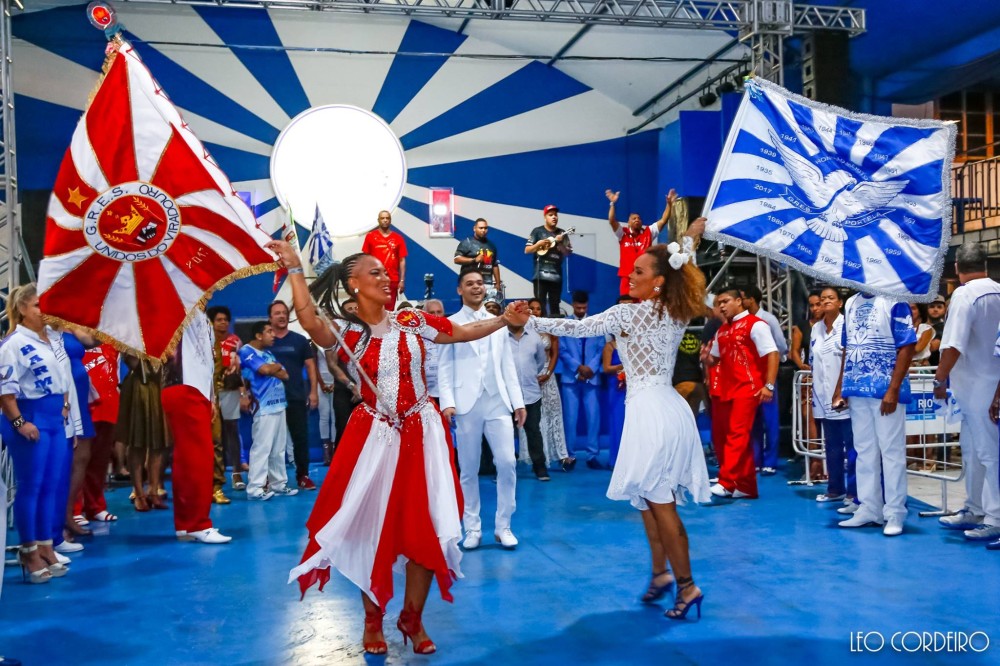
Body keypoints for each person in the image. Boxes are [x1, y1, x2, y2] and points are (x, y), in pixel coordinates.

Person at [273, 240, 530, 656]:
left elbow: (461, 333)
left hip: (422, 435)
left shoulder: (411, 320)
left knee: (427, 527)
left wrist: (503, 320)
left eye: (386, 273)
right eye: (374, 273)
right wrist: (295, 268)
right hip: (375, 436)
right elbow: (308, 318)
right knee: (374, 530)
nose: (386, 278)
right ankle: (373, 620)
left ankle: (412, 617)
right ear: (354, 284)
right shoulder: (348, 332)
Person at [530, 226, 710, 621]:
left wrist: (533, 322)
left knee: (660, 503)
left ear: (658, 282)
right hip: (668, 410)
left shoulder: (626, 312)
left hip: (650, 414)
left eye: (640, 271)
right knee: (650, 499)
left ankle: (687, 585)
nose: (631, 274)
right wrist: (690, 241)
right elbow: (684, 265)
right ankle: (662, 575)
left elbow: (577, 328)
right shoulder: (677, 311)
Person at [438, 268, 527, 549]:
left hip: (497, 401)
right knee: (469, 468)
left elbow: (507, 366)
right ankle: (472, 527)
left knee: (507, 463)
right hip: (465, 404)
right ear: (459, 290)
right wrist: (448, 402)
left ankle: (504, 526)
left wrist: (518, 402)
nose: (477, 287)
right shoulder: (449, 324)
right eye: (470, 283)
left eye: (480, 283)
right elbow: (444, 366)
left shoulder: (499, 323)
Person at [0, 284, 75, 582]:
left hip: (55, 419)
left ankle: (46, 545)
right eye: (37, 306)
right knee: (30, 486)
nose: (43, 311)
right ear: (22, 309)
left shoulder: (51, 341)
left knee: (51, 484)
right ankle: (28, 550)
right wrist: (20, 423)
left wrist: (66, 406)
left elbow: (63, 379)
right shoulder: (13, 344)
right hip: (29, 417)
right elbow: (5, 393)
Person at [833, 292, 916, 536]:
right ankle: (869, 508)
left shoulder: (895, 301)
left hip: (885, 391)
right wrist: (841, 387)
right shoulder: (850, 302)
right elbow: (848, 348)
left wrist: (893, 389)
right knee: (864, 451)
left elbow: (907, 346)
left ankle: (895, 513)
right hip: (858, 389)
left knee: (891, 453)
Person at [936, 242, 1000, 546]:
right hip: (990, 383)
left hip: (976, 386)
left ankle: (995, 518)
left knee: (988, 455)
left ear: (957, 267)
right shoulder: (998, 291)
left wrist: (940, 377)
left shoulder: (964, 295)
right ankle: (975, 509)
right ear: (985, 264)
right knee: (974, 453)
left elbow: (953, 345)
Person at [161, 310, 233, 545]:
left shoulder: (201, 316)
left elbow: (207, 361)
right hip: (185, 386)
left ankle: (186, 524)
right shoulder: (181, 304)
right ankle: (198, 523)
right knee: (198, 457)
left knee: (188, 458)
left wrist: (211, 396)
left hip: (197, 388)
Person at [705, 289, 779, 499]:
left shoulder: (756, 325)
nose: (721, 306)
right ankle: (746, 487)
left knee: (737, 434)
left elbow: (772, 353)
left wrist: (769, 385)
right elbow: (714, 359)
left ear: (739, 301)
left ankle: (726, 482)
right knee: (733, 437)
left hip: (749, 388)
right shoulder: (723, 331)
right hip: (728, 390)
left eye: (726, 301)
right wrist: (706, 358)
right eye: (719, 303)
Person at [239, 321, 297, 501]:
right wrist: (273, 368)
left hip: (279, 405)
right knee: (261, 448)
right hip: (263, 406)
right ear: (258, 335)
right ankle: (255, 489)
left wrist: (273, 369)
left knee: (278, 449)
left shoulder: (268, 353)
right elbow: (264, 369)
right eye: (269, 332)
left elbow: (285, 374)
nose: (273, 335)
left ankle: (278, 484)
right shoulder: (247, 351)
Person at [810, 287, 856, 505]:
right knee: (832, 446)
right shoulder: (816, 328)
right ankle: (835, 488)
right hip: (822, 396)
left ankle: (854, 493)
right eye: (822, 299)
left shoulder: (847, 326)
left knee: (853, 446)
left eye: (830, 298)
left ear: (840, 303)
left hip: (845, 398)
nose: (825, 301)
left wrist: (842, 391)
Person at [267, 301, 319, 490]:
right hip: (269, 401)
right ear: (270, 318)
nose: (281, 316)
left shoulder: (299, 340)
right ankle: (266, 479)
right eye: (277, 313)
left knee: (300, 438)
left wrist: (313, 392)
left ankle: (303, 476)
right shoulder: (265, 341)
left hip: (296, 396)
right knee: (269, 440)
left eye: (284, 313)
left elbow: (310, 366)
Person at [741, 286, 787, 475]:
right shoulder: (742, 321)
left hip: (767, 376)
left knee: (770, 421)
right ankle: (757, 460)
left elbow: (781, 346)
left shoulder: (768, 319)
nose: (740, 301)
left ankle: (771, 461)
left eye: (742, 297)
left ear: (752, 299)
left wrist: (771, 373)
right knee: (754, 421)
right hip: (750, 377)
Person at [559, 291, 604, 469]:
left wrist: (591, 368)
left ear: (588, 306)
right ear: (572, 305)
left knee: (594, 417)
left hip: (591, 378)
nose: (580, 310)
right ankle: (569, 455)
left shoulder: (596, 323)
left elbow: (601, 349)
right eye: (578, 307)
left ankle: (593, 455)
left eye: (584, 307)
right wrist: (578, 368)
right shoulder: (565, 324)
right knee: (570, 419)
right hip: (571, 378)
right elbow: (562, 350)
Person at [527, 298, 574, 471]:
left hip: (548, 376)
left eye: (538, 308)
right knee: (535, 418)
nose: (535, 311)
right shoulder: (522, 328)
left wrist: (548, 373)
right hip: (529, 378)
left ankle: (562, 456)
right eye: (531, 308)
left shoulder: (548, 327)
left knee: (554, 414)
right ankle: (539, 458)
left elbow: (555, 352)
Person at [118, 354, 168, 511]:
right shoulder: (131, 331)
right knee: (137, 441)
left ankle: (153, 491)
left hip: (159, 385)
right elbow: (131, 359)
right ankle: (138, 493)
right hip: (139, 386)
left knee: (159, 441)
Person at [606, 188, 677, 295]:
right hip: (627, 278)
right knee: (626, 305)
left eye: (639, 218)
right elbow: (612, 220)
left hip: (645, 278)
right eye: (633, 218)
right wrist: (612, 203)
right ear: (628, 223)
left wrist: (669, 204)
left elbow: (663, 220)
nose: (637, 220)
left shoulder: (648, 232)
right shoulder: (622, 233)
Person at [507, 307, 549, 481]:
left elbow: (540, 362)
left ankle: (539, 468)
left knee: (533, 431)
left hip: (531, 394)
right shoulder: (499, 337)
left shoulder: (534, 338)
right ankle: (506, 469)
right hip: (507, 395)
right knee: (506, 434)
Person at [206, 306, 245, 497]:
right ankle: (211, 477)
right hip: (209, 392)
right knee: (212, 436)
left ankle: (236, 473)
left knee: (231, 431)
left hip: (229, 391)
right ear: (211, 322)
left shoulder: (235, 341)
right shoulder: (205, 341)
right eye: (219, 319)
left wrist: (243, 392)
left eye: (225, 319)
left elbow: (242, 368)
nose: (223, 323)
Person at [80, 343, 120, 522]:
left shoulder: (111, 339)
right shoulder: (73, 337)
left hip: (108, 405)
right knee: (79, 461)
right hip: (83, 405)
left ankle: (95, 506)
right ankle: (75, 508)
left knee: (100, 460)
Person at [525, 205, 573, 316]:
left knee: (555, 305)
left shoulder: (562, 233)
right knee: (539, 306)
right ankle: (539, 332)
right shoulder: (537, 231)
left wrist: (560, 243)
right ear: (545, 217)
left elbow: (568, 254)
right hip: (540, 275)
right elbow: (527, 250)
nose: (554, 217)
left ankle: (554, 333)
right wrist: (538, 244)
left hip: (556, 276)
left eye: (555, 215)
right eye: (550, 215)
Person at [361, 210, 407, 310]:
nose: (385, 220)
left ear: (390, 220)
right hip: (375, 280)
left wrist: (402, 280)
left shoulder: (398, 238)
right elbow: (365, 259)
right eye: (382, 218)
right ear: (378, 220)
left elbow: (402, 260)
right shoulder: (370, 236)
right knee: (374, 308)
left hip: (392, 280)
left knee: (389, 310)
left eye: (387, 218)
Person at [454, 218, 501, 290]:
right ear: (474, 228)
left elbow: (495, 265)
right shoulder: (467, 242)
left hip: (487, 283)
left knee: (489, 301)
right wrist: (474, 260)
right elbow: (456, 259)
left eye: (485, 228)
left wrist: (498, 283)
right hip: (470, 282)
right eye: (481, 228)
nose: (483, 230)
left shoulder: (491, 245)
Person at [602, 337, 626, 468]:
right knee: (617, 423)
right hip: (616, 387)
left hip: (631, 388)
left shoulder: (632, 343)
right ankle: (615, 460)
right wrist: (623, 367)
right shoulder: (609, 346)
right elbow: (606, 368)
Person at [928, 293, 948, 366]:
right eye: (932, 306)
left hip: (937, 367)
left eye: (939, 307)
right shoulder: (923, 326)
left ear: (944, 309)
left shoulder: (945, 327)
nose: (935, 309)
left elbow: (933, 347)